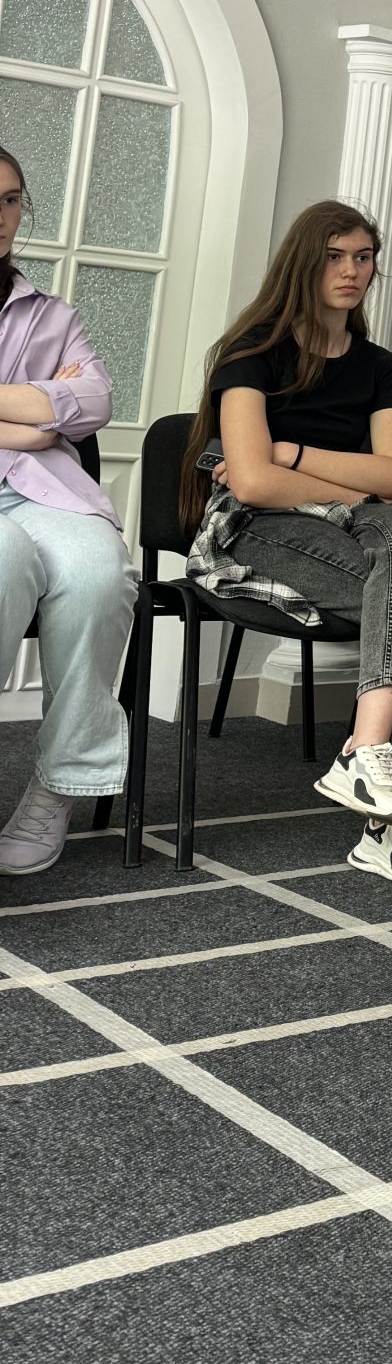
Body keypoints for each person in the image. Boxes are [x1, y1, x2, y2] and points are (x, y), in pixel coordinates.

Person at [182, 199, 392, 890]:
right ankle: (390, 815)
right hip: (256, 531)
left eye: (363, 258)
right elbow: (252, 484)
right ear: (303, 264)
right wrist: (341, 484)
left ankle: (366, 754)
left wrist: (290, 452)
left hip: (345, 527)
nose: (351, 271)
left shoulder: (379, 367)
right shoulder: (251, 355)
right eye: (335, 257)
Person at [0, 142, 138, 875]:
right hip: (14, 497)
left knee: (99, 573)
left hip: (41, 488)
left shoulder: (52, 314)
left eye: (10, 200)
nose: (0, 215)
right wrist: (33, 415)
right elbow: (59, 411)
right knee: (2, 561)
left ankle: (58, 784)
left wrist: (45, 422)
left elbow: (93, 402)